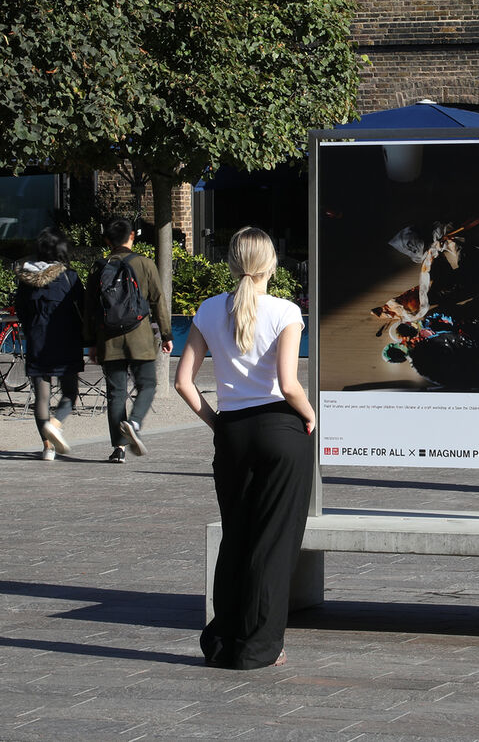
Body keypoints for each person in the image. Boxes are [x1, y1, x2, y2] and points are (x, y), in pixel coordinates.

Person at [174, 226, 313, 670]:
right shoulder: (286, 311)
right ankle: (261, 646)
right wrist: (310, 415)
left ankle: (225, 640)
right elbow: (290, 385)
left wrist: (217, 423)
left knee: (236, 536)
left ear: (231, 262)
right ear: (271, 264)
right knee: (273, 542)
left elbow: (183, 382)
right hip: (280, 429)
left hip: (232, 433)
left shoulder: (209, 309)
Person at [88, 217, 171, 464]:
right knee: (147, 384)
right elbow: (158, 300)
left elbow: (90, 307)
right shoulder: (145, 264)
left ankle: (119, 448)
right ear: (132, 236)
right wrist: (166, 334)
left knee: (116, 394)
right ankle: (134, 422)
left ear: (107, 241)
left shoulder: (98, 267)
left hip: (108, 338)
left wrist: (91, 341)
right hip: (140, 337)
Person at [15, 227, 85, 460]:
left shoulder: (26, 280)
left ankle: (47, 446)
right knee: (70, 393)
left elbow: (21, 312)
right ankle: (55, 424)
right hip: (66, 341)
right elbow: (83, 309)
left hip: (37, 341)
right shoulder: (69, 277)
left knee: (41, 397)